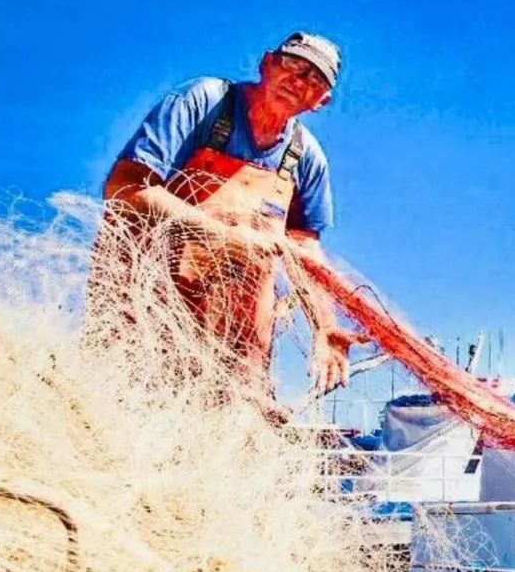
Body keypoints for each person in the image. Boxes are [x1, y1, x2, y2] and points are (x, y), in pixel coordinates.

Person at [93, 31, 361, 395]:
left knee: (232, 405)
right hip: (148, 300)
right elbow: (125, 187)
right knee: (128, 397)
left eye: (315, 79)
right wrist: (220, 235)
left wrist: (324, 325)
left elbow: (304, 246)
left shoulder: (306, 157)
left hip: (235, 328)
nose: (300, 81)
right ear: (266, 63)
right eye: (293, 64)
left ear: (322, 101)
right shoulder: (205, 102)